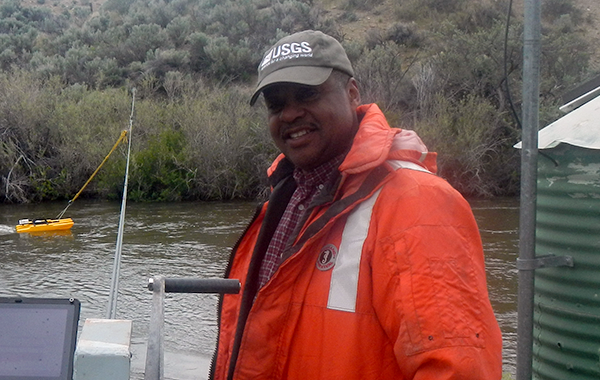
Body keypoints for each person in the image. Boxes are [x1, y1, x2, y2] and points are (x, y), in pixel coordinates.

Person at [212, 30, 503, 379]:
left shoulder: (416, 201)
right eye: (276, 104)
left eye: (307, 94)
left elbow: (458, 368)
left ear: (352, 94)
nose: (289, 114)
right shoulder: (287, 196)